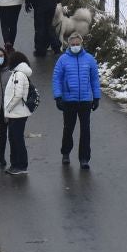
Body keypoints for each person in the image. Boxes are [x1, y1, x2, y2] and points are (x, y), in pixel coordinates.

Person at [52, 31, 102, 169]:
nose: (75, 46)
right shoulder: (63, 60)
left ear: (81, 44)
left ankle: (84, 158)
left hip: (85, 100)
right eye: (72, 44)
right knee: (68, 128)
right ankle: (66, 152)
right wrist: (58, 96)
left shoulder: (89, 59)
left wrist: (96, 97)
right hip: (69, 100)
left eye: (77, 44)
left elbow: (94, 79)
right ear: (69, 45)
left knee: (85, 130)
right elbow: (56, 78)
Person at [1, 51, 33, 175]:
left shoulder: (19, 75)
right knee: (13, 138)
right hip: (15, 113)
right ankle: (15, 164)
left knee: (17, 139)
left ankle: (21, 165)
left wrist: (8, 108)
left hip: (18, 113)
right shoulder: (16, 73)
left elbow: (17, 94)